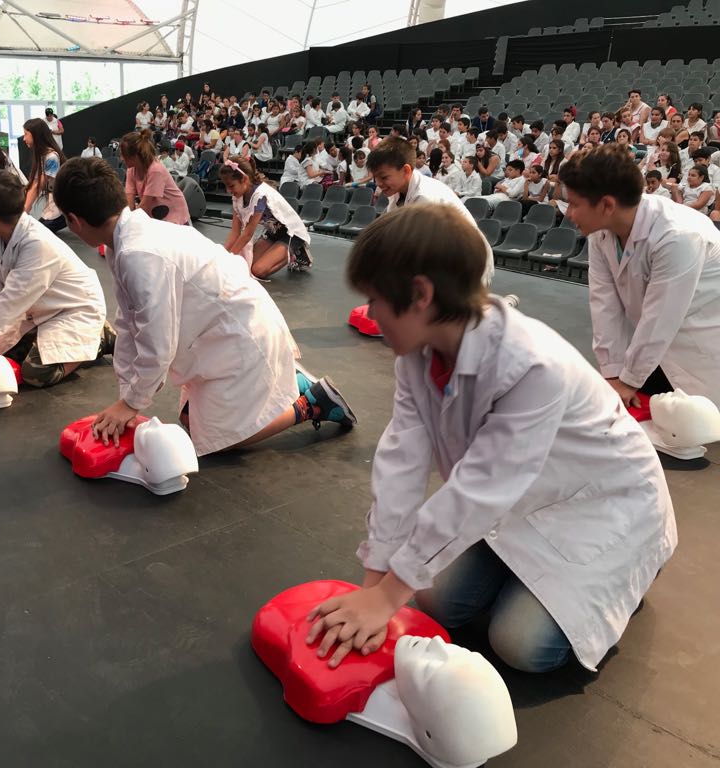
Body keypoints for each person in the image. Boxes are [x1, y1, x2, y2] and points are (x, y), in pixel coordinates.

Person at [305, 201, 676, 675]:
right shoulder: (418, 355)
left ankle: (635, 570)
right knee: (435, 600)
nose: (371, 314)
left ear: (420, 294)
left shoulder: (532, 365)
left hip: (606, 508)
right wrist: (375, 586)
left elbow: (481, 486)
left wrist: (387, 598)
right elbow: (402, 463)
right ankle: (525, 580)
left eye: (376, 299)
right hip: (525, 496)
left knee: (520, 645)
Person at [52, 156, 357, 455]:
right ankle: (292, 380)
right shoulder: (128, 240)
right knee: (192, 423)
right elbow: (129, 324)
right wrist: (126, 396)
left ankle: (314, 403)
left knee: (219, 441)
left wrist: (131, 403)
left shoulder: (138, 254)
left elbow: (157, 344)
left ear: (74, 221)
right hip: (228, 331)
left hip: (246, 332)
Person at [559, 144, 720, 408]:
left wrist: (629, 380)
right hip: (648, 344)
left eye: (575, 204)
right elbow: (605, 303)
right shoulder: (601, 232)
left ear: (607, 205)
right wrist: (612, 372)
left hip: (699, 345)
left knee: (694, 424)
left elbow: (662, 315)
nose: (568, 214)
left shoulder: (677, 236)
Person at [0, 169, 114, 388]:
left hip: (75, 309)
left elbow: (12, 298)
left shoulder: (38, 245)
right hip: (41, 310)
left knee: (36, 373)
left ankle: (101, 338)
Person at [367, 137, 492, 284]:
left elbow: (417, 253)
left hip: (466, 262)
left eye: (384, 177)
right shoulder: (399, 189)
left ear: (406, 171)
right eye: (375, 178)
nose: (379, 183)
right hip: (443, 256)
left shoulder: (425, 198)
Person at [220, 156, 312, 278]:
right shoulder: (238, 196)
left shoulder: (260, 196)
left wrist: (228, 259)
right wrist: (222, 255)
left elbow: (247, 234)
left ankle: (294, 252)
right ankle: (279, 250)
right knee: (247, 264)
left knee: (257, 271)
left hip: (292, 234)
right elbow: (235, 232)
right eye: (226, 186)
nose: (228, 190)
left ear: (244, 179)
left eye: (231, 186)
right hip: (273, 231)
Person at [120, 129, 190, 226]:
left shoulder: (155, 170)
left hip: (175, 218)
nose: (121, 158)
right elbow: (129, 203)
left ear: (135, 156)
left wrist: (126, 224)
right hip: (156, 216)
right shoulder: (131, 170)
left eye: (123, 155)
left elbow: (144, 207)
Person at [22, 117, 67, 234]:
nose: (24, 138)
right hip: (53, 205)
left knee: (37, 232)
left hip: (62, 207)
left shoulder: (51, 157)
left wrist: (24, 210)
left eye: (26, 134)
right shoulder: (42, 155)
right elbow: (35, 183)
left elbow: (38, 185)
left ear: (36, 135)